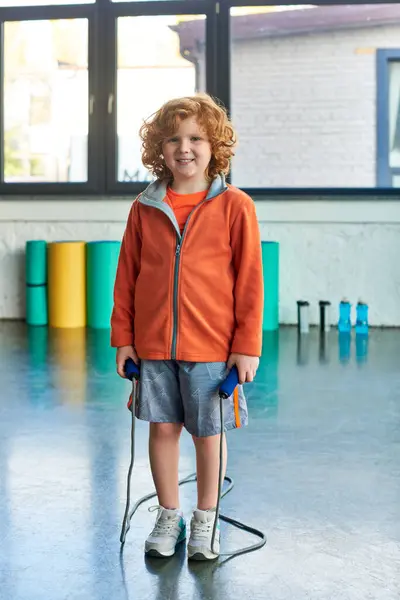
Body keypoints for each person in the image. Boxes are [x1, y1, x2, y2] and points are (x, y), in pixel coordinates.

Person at [111, 93, 263, 561]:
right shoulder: (145, 207)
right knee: (161, 430)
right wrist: (125, 339)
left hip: (212, 349)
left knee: (207, 435)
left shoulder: (235, 206)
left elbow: (250, 282)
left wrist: (246, 346)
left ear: (214, 146)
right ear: (160, 148)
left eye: (196, 137)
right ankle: (169, 514)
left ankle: (206, 520)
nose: (185, 148)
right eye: (173, 139)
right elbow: (127, 276)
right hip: (154, 347)